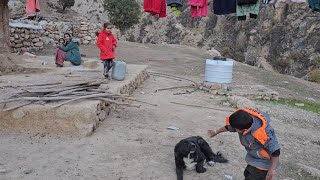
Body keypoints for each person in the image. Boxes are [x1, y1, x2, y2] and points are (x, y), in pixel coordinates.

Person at [208, 108, 280, 180]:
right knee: (247, 173)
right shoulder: (245, 121)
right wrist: (216, 131)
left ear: (244, 130)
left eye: (236, 129)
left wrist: (272, 170)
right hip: (254, 157)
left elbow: (276, 151)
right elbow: (229, 127)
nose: (234, 130)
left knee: (254, 177)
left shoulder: (263, 135)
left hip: (264, 162)